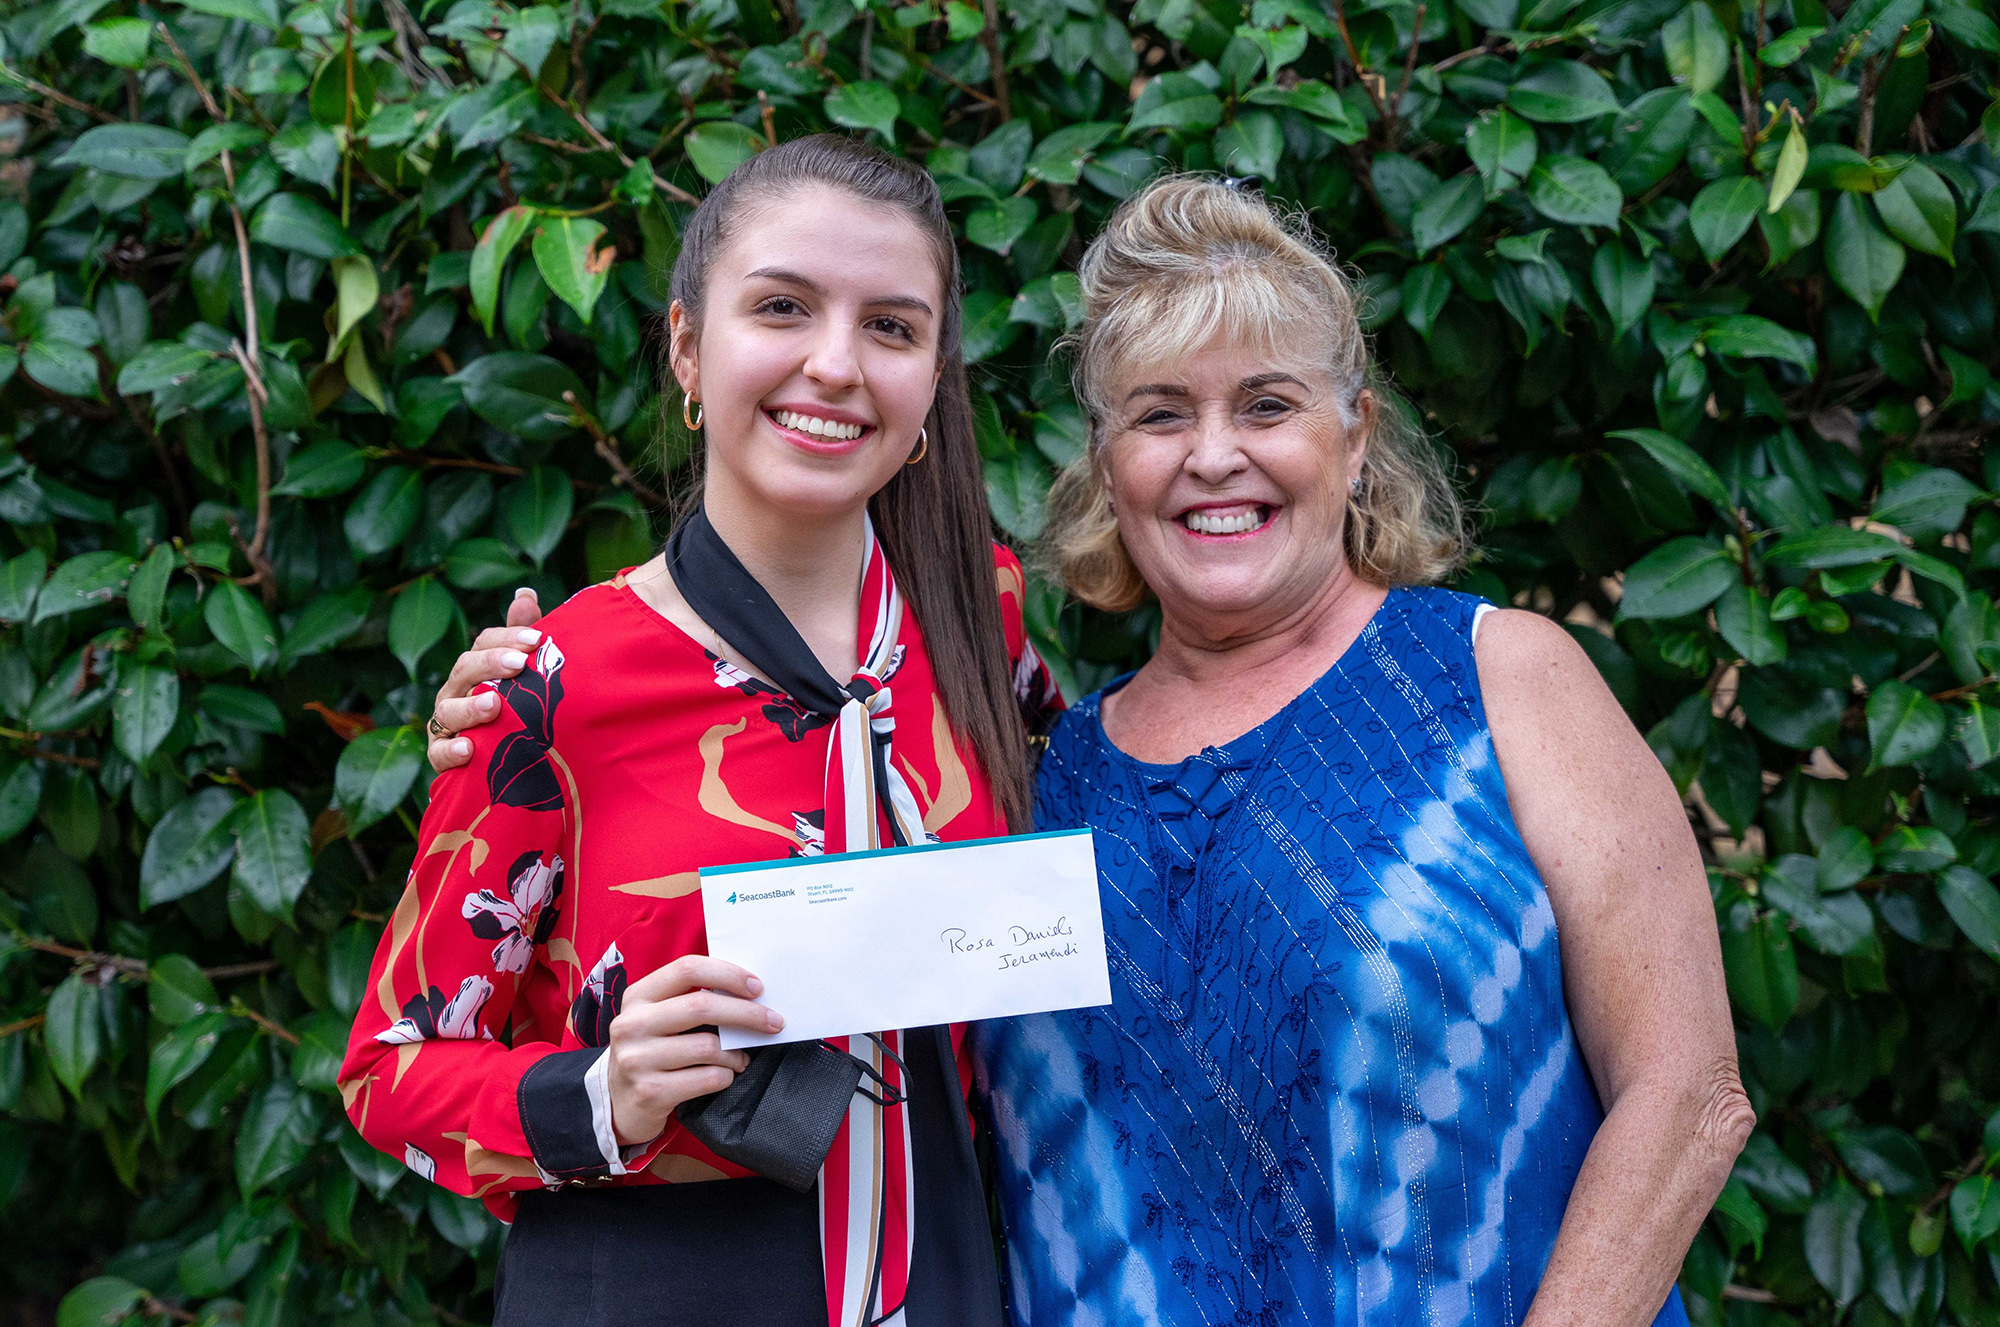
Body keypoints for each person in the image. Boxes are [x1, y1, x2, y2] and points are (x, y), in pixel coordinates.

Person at [437, 173, 1752, 1326]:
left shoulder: (1498, 677)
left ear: (1353, 435)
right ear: (1108, 465)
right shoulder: (1037, 766)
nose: (1215, 455)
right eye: (1161, 412)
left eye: (1270, 403)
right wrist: (521, 709)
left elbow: (1689, 1092)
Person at [339, 134, 1061, 1327]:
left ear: (932, 380)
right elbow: (387, 1072)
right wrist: (603, 1093)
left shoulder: (984, 621)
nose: (834, 364)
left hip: (954, 1281)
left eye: (891, 326)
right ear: (685, 344)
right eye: (782, 307)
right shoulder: (558, 686)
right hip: (656, 1286)